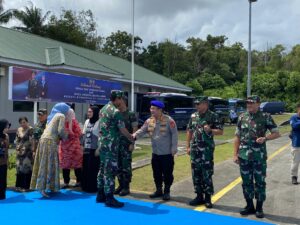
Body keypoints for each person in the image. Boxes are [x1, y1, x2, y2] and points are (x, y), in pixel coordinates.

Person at [233, 95, 280, 218]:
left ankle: (259, 207)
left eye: (252, 103)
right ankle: (249, 206)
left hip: (259, 156)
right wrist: (235, 154)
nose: (249, 105)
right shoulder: (242, 117)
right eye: (247, 103)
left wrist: (265, 138)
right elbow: (237, 137)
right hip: (243, 156)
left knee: (260, 182)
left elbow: (276, 133)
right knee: (246, 182)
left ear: (258, 104)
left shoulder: (265, 117)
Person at [133, 100, 178, 201]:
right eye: (151, 108)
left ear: (160, 110)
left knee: (167, 174)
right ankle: (159, 190)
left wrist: (174, 148)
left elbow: (175, 134)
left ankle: (166, 191)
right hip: (156, 153)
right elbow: (142, 130)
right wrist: (135, 135)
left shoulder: (169, 120)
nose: (151, 110)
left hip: (167, 153)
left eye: (153, 109)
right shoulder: (150, 121)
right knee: (156, 173)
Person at [96, 90, 133, 208]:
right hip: (111, 146)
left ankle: (100, 194)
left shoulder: (103, 109)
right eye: (120, 99)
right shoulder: (116, 112)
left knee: (102, 169)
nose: (121, 101)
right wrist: (131, 138)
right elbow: (122, 129)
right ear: (116, 99)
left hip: (102, 144)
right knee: (110, 171)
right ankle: (109, 197)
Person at [186, 96, 223, 208]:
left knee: (206, 173)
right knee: (195, 173)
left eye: (199, 104)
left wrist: (210, 130)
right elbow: (189, 131)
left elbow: (220, 131)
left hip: (206, 150)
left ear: (205, 104)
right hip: (194, 149)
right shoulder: (193, 116)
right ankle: (199, 196)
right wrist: (188, 146)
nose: (196, 106)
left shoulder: (213, 116)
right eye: (196, 104)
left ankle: (207, 198)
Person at [30, 102, 70, 198]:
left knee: (46, 163)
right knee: (48, 163)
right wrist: (66, 136)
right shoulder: (61, 115)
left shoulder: (52, 116)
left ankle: (50, 186)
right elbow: (60, 130)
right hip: (50, 142)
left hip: (43, 140)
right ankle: (42, 188)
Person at [114, 96, 138, 196]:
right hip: (116, 144)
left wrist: (132, 143)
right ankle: (120, 185)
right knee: (118, 166)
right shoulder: (116, 113)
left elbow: (135, 129)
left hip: (126, 145)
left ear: (123, 101)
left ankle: (126, 187)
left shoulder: (131, 114)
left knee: (126, 166)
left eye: (117, 101)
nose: (116, 103)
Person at [59, 109, 83, 188]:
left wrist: (71, 131)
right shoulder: (62, 122)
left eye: (69, 113)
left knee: (77, 165)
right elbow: (59, 133)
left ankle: (79, 181)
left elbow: (79, 133)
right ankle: (66, 182)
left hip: (74, 147)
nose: (67, 115)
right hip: (65, 147)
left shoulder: (74, 122)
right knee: (65, 165)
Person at [81, 106, 100, 193]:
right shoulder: (86, 121)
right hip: (86, 149)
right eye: (88, 112)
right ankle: (85, 186)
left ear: (95, 112)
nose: (88, 113)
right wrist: (81, 145)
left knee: (93, 169)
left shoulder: (99, 122)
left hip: (94, 149)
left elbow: (101, 136)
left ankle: (92, 187)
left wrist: (99, 148)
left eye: (90, 112)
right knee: (85, 168)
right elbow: (83, 134)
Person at [15, 116, 34, 191]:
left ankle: (26, 186)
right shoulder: (19, 129)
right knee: (19, 168)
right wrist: (17, 147)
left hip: (27, 153)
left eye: (24, 122)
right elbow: (16, 140)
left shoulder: (30, 129)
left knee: (26, 168)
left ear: (27, 122)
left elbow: (32, 140)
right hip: (19, 152)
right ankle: (19, 186)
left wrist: (33, 150)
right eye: (21, 123)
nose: (23, 124)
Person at [289, 103, 300, 185]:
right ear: (298, 109)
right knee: (295, 162)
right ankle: (294, 177)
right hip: (297, 144)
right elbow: (294, 126)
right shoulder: (294, 117)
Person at [0, 119, 10, 200]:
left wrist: (7, 160)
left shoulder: (6, 136)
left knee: (3, 179)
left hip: (3, 161)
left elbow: (7, 149)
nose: (8, 127)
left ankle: (2, 195)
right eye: (7, 126)